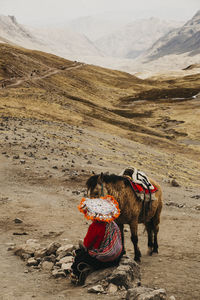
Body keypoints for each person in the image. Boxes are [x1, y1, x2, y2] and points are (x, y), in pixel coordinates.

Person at [70, 196, 123, 285]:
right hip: (116, 257)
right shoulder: (112, 224)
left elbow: (87, 245)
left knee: (79, 256)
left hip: (103, 260)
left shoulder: (95, 227)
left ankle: (77, 276)